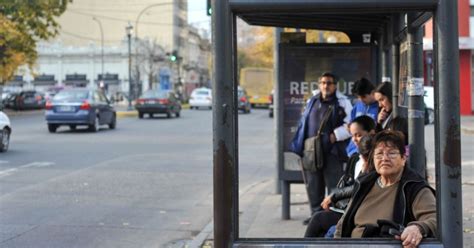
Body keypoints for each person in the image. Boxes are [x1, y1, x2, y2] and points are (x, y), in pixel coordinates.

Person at [334, 130, 436, 248]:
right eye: (379, 154)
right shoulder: (364, 183)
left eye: (391, 153)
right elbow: (343, 222)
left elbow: (435, 218)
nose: (385, 158)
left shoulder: (414, 187)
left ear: (403, 158)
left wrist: (418, 228)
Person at [290, 72, 353, 225]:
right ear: (319, 84)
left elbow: (351, 125)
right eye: (323, 83)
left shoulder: (343, 102)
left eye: (329, 83)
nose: (326, 86)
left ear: (335, 85)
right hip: (311, 152)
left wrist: (336, 135)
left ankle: (333, 217)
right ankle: (315, 216)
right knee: (313, 185)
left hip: (332, 152)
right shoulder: (312, 100)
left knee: (334, 186)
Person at [304, 116, 376, 237]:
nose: (355, 139)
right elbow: (347, 183)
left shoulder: (376, 160)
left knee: (318, 219)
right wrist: (334, 198)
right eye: (352, 135)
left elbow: (361, 186)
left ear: (371, 133)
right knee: (320, 222)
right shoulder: (354, 158)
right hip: (346, 207)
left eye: (358, 135)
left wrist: (334, 195)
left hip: (361, 212)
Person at [346, 78, 379, 156]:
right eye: (358, 97)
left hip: (369, 150)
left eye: (363, 96)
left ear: (373, 93)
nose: (361, 99)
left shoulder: (379, 106)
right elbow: (352, 121)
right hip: (353, 150)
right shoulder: (358, 105)